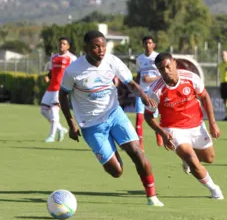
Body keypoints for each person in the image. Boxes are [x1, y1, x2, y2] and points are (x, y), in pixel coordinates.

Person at [59, 30, 164, 207]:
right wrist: (71, 123)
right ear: (86, 47)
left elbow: (130, 83)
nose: (101, 50)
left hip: (115, 115)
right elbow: (63, 95)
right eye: (96, 47)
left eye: (103, 46)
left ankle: (151, 197)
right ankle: (110, 151)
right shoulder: (73, 70)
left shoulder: (112, 61)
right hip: (91, 125)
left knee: (137, 152)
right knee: (116, 171)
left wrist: (144, 96)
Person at [144, 53, 224, 200]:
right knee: (192, 159)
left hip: (196, 125)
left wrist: (213, 123)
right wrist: (162, 133)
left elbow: (205, 97)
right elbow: (148, 116)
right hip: (173, 129)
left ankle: (186, 158)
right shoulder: (155, 91)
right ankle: (214, 189)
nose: (166, 71)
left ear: (174, 63)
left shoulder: (191, 78)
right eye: (162, 69)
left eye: (168, 66)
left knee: (209, 158)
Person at [40, 37, 77, 143]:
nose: (61, 45)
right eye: (60, 43)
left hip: (61, 89)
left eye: (64, 44)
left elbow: (75, 73)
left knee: (54, 110)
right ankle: (61, 129)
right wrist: (48, 77)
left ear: (68, 46)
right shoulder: (54, 57)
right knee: (43, 110)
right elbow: (51, 71)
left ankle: (52, 136)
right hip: (51, 88)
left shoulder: (72, 58)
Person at [135, 36, 163, 151]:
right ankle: (140, 143)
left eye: (150, 43)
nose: (147, 45)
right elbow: (138, 75)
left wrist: (150, 79)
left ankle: (158, 133)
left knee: (152, 117)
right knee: (139, 117)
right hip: (142, 92)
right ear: (143, 45)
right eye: (145, 43)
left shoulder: (158, 57)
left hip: (153, 92)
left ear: (153, 45)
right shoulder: (139, 59)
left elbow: (162, 75)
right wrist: (136, 88)